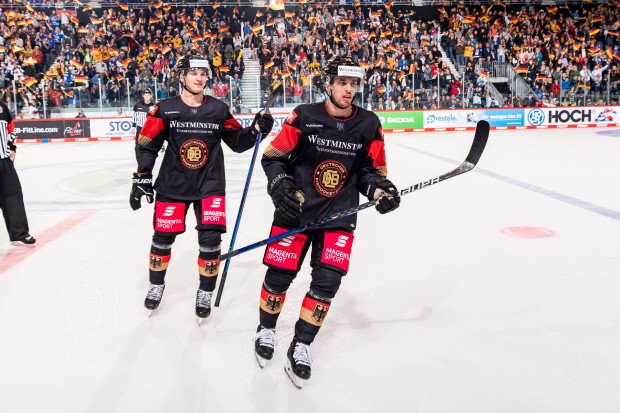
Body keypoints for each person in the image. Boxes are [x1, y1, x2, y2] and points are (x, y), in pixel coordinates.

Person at [253, 56, 400, 388]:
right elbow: (272, 158)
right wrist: (280, 186)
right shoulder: (305, 116)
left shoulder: (368, 123)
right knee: (279, 277)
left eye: (354, 85)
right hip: (296, 212)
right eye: (343, 84)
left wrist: (379, 190)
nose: (349, 90)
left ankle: (302, 344)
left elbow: (371, 172)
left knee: (327, 284)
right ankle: (266, 329)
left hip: (339, 216)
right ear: (329, 85)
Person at [130, 54, 274, 321]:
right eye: (193, 72)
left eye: (203, 73)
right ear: (182, 76)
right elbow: (147, 144)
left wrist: (257, 129)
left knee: (210, 243)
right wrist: (142, 176)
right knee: (163, 238)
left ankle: (205, 292)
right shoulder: (164, 109)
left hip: (210, 185)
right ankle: (156, 285)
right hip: (173, 185)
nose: (199, 78)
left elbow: (239, 142)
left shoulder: (218, 109)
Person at [0, 99, 36, 246]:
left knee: (13, 195)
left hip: (4, 161)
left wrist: (12, 148)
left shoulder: (2, 107)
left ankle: (19, 233)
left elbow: (11, 129)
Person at [131, 88, 154, 160]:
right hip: (140, 129)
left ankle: (147, 162)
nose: (146, 96)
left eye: (148, 95)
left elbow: (157, 119)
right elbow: (135, 116)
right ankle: (140, 162)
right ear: (143, 96)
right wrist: (133, 126)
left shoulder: (154, 106)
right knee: (138, 147)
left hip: (149, 130)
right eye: (145, 95)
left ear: (151, 96)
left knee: (149, 147)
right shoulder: (137, 105)